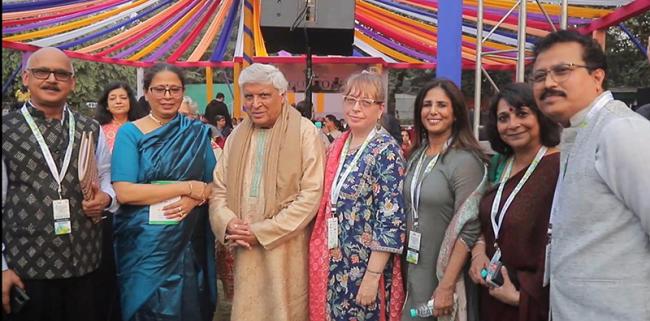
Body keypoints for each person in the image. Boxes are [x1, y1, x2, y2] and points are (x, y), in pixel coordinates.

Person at [531, 30, 650, 321]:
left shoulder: (620, 130)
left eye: (562, 70)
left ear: (597, 77)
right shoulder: (577, 133)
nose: (549, 83)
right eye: (539, 76)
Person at [1, 47, 119, 321]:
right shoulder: (6, 128)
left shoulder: (90, 127)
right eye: (43, 72)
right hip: (26, 268)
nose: (52, 79)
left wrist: (107, 199)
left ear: (72, 82)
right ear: (26, 78)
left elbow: (106, 179)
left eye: (61, 74)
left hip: (85, 264)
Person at [209, 63, 325, 321]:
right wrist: (228, 224)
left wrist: (261, 232)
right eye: (249, 96)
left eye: (264, 95)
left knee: (286, 309)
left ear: (282, 96)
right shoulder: (237, 135)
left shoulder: (305, 133)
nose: (255, 103)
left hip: (287, 247)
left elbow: (311, 196)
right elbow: (219, 189)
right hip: (242, 244)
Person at [111, 63, 217, 321]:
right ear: (146, 93)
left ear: (182, 92)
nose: (167, 96)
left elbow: (216, 185)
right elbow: (125, 192)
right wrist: (187, 187)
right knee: (146, 308)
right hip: (143, 242)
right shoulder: (130, 133)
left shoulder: (196, 132)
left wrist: (194, 201)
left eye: (174, 89)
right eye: (159, 89)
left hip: (188, 239)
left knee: (189, 306)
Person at [309, 71, 406, 321]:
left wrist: (372, 277)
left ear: (380, 109)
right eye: (350, 100)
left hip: (366, 267)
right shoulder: (338, 146)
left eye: (365, 102)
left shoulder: (387, 151)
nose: (355, 108)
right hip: (335, 262)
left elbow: (391, 219)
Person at [469, 83, 560, 321]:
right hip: (491, 293)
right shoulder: (500, 163)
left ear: (541, 115)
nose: (512, 124)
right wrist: (478, 253)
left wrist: (521, 299)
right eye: (503, 118)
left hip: (529, 302)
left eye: (522, 114)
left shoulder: (559, 168)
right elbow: (486, 221)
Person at [401, 79, 488, 321]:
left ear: (456, 113)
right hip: (412, 270)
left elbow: (470, 227)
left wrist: (447, 285)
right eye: (427, 104)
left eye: (442, 105)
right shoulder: (416, 155)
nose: (433, 111)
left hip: (444, 278)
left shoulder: (465, 161)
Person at [96, 82, 145, 151]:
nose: (118, 101)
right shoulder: (99, 129)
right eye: (112, 99)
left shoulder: (141, 127)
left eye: (123, 98)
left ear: (130, 102)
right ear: (107, 105)